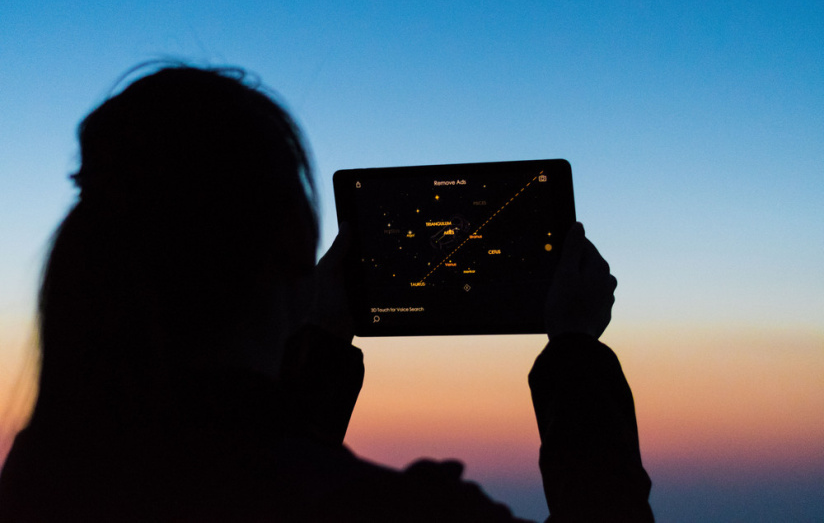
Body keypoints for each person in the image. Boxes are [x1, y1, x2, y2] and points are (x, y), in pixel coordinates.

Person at [0, 65, 653, 522]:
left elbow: (252, 463)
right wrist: (575, 351)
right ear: (291, 246)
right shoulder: (398, 512)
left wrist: (323, 339)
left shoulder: (41, 478)